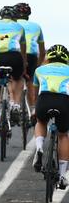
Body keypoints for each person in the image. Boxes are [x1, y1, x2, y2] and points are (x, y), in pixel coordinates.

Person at [31, 44, 69, 188]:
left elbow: (35, 92)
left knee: (41, 121)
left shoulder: (40, 70)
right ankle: (62, 175)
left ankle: (39, 147)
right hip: (64, 101)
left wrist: (36, 109)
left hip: (44, 100)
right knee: (63, 134)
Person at [0, 5, 28, 124]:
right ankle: (15, 103)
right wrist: (24, 65)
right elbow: (23, 49)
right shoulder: (19, 27)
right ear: (14, 17)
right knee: (18, 78)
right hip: (14, 56)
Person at [16, 2, 45, 112]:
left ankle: (14, 103)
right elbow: (42, 51)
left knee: (14, 79)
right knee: (31, 81)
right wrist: (38, 65)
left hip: (18, 54)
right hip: (32, 55)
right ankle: (33, 108)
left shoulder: (14, 25)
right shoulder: (37, 27)